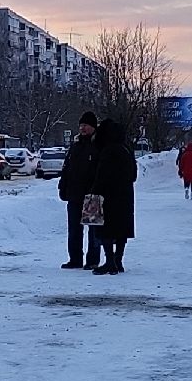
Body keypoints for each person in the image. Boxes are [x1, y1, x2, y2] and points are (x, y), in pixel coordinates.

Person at [91, 119, 139, 275]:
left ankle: (110, 262)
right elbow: (133, 175)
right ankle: (118, 260)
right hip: (125, 194)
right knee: (121, 229)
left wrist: (94, 191)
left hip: (108, 196)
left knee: (106, 229)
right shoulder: (126, 149)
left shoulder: (107, 150)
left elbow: (101, 176)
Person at [59, 111, 102, 270]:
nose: (83, 128)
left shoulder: (98, 146)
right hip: (74, 194)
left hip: (92, 194)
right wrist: (63, 187)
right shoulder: (75, 146)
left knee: (93, 231)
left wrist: (97, 188)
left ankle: (92, 260)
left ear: (93, 127)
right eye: (81, 125)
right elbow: (67, 169)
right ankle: (75, 259)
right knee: (74, 229)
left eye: (86, 125)